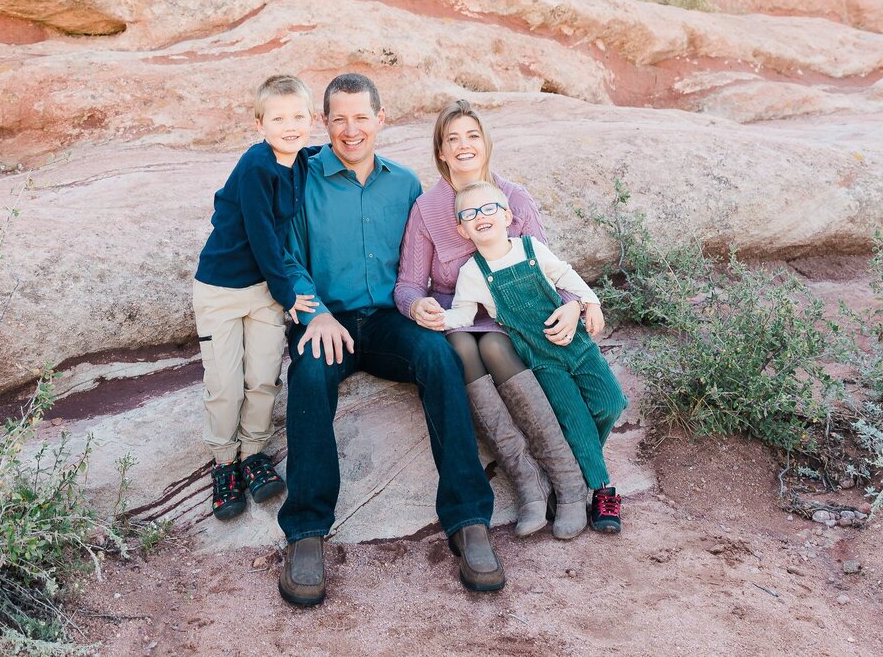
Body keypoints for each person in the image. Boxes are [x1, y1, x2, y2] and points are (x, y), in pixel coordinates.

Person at [277, 73, 504, 606]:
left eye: (362, 117)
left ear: (381, 120)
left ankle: (468, 520)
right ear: (324, 123)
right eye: (339, 118)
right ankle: (306, 532)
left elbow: (444, 247)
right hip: (323, 318)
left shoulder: (404, 184)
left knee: (439, 357)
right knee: (308, 375)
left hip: (385, 321)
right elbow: (286, 258)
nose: (350, 129)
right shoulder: (300, 179)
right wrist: (315, 316)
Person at [394, 100, 591, 540]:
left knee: (494, 345)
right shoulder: (428, 209)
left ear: (486, 144)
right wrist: (414, 305)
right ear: (440, 151)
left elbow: (547, 264)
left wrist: (574, 303)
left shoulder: (513, 198)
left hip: (514, 316)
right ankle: (527, 481)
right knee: (465, 345)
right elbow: (408, 283)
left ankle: (569, 482)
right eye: (453, 139)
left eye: (472, 136)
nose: (464, 146)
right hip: (459, 315)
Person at [447, 179, 627, 534]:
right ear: (462, 229)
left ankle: (576, 459)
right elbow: (462, 316)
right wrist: (434, 317)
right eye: (470, 213)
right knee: (573, 418)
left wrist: (590, 301)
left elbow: (566, 275)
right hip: (542, 361)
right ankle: (602, 489)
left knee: (612, 403)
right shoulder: (473, 274)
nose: (481, 216)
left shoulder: (532, 249)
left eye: (489, 209)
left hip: (577, 345)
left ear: (508, 216)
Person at [190, 75, 320, 521]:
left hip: (263, 291)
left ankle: (254, 453)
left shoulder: (300, 159)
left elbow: (321, 154)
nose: (290, 126)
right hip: (223, 290)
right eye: (278, 118)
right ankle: (224, 463)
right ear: (259, 122)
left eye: (298, 117)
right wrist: (288, 296)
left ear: (312, 120)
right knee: (225, 382)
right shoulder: (256, 166)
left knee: (263, 375)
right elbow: (264, 239)